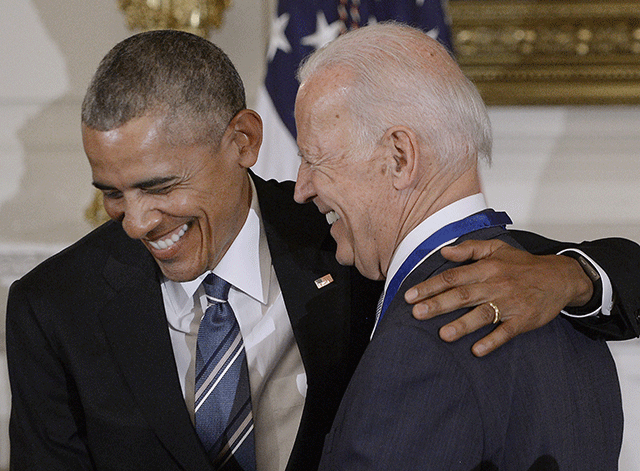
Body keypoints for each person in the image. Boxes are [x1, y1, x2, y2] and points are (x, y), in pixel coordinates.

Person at [5, 29, 637, 471]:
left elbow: (486, 249)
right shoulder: (53, 307)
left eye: (160, 186)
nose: (136, 222)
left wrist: (572, 276)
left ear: (244, 141)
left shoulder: (345, 235)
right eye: (111, 193)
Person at [292, 22, 623, 470]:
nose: (301, 188)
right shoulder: (571, 313)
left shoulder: (422, 345)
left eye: (314, 159)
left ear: (400, 157)